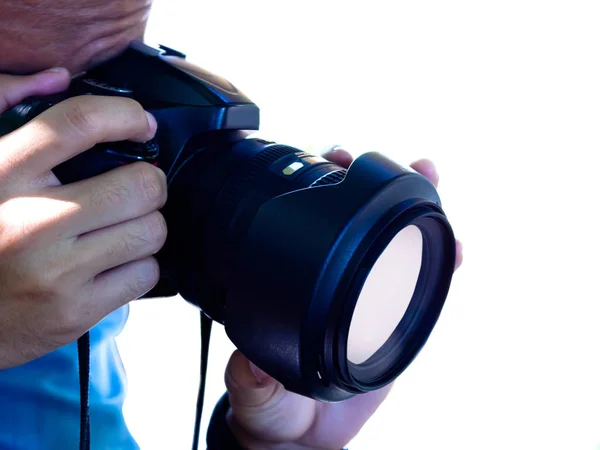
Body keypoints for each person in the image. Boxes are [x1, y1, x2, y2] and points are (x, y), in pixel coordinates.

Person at [0, 1, 463, 448]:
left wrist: (266, 445)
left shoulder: (54, 270)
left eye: (123, 74)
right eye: (43, 108)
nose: (102, 128)